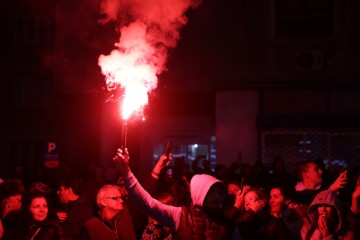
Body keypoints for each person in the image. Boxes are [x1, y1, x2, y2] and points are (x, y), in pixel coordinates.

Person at [112, 148, 233, 239]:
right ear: (200, 192)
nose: (217, 196)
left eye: (219, 192)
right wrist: (126, 172)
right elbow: (147, 203)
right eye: (212, 191)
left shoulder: (226, 222)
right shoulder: (181, 215)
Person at [55, 175, 94, 239]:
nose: (57, 192)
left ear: (69, 191)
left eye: (60, 189)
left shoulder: (85, 210)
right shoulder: (65, 208)